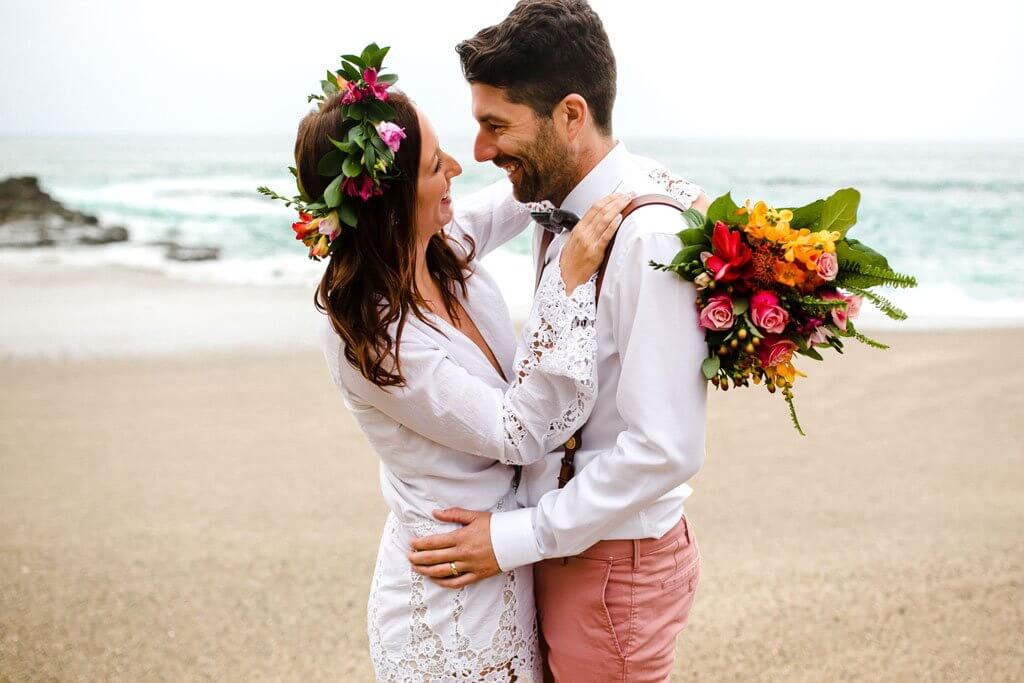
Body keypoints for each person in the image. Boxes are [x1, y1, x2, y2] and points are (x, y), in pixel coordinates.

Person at [293, 63, 699, 676]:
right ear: (395, 205)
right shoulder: (371, 335)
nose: (460, 165)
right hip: (449, 584)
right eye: (435, 165)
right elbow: (516, 433)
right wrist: (567, 287)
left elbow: (540, 187)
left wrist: (677, 199)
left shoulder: (438, 249)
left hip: (506, 562)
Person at [407, 1, 711, 680]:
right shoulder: (557, 200)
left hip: (612, 565)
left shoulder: (646, 237)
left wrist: (513, 538)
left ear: (571, 116)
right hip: (574, 549)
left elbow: (665, 448)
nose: (480, 151)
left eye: (496, 125)